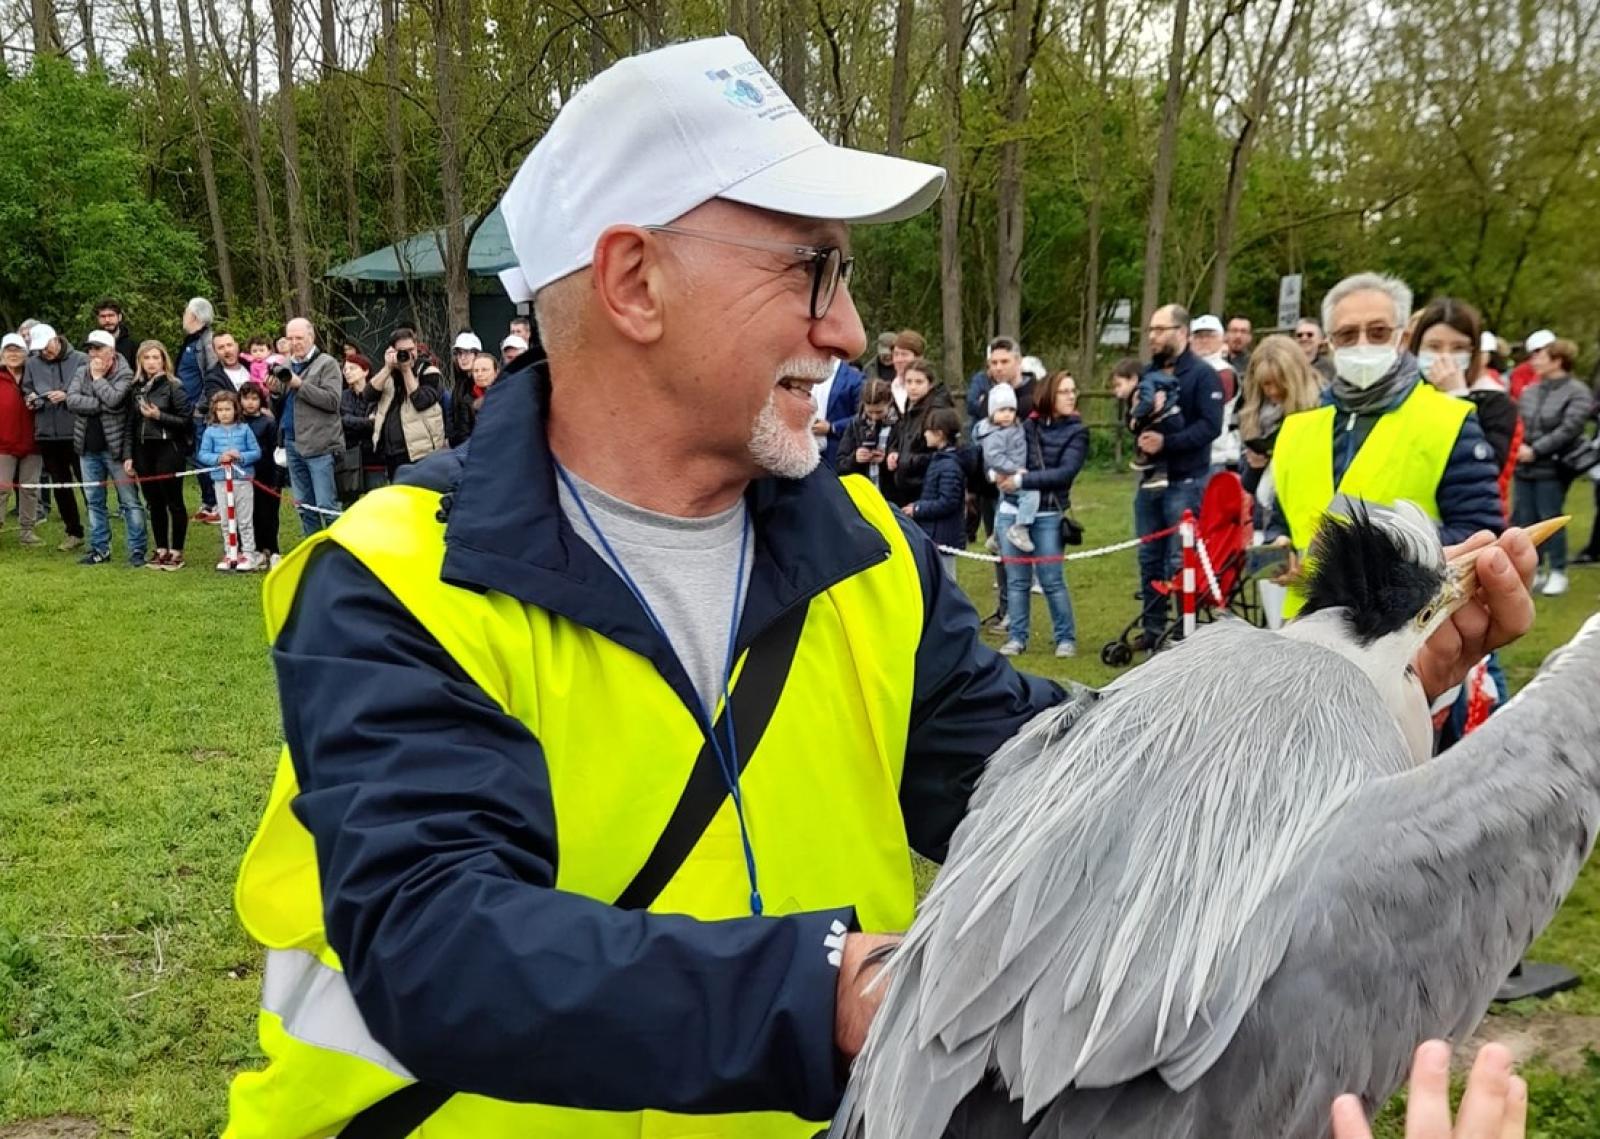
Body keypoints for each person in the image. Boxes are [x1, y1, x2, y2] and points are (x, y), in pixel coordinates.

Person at [224, 35, 1540, 1139]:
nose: (847, 327)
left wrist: (1376, 670)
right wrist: (847, 993)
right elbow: (439, 938)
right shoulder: (391, 576)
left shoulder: (857, 539)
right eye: (812, 267)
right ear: (633, 281)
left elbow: (1042, 776)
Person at [1269, 272, 1505, 617]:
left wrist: (1380, 542)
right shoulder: (1296, 429)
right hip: (1307, 626)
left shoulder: (1448, 420)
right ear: (1330, 343)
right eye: (1348, 334)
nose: (1362, 343)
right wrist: (1280, 546)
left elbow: (1480, 535)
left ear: (1401, 337)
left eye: (1377, 332)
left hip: (1406, 631)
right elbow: (1280, 518)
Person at [1133, 304, 1222, 648]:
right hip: (1149, 480)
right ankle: (1154, 631)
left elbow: (1209, 427)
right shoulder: (1147, 374)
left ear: (1182, 333)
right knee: (1148, 558)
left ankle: (1185, 634)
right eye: (1151, 330)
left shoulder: (1203, 375)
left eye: (1160, 329)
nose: (1153, 337)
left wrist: (1167, 442)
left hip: (1185, 480)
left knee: (1178, 558)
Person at [996, 370, 1085, 660]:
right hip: (1012, 510)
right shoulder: (1026, 426)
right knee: (1017, 580)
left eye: (1073, 391)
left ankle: (1065, 638)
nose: (1071, 396)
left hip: (1048, 514)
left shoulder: (1078, 432)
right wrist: (997, 472)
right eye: (1065, 391)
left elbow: (1065, 473)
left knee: (1051, 579)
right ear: (1049, 395)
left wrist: (1022, 481)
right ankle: (1017, 637)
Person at [1410, 299, 1518, 517]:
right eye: (1434, 346)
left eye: (1458, 348)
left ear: (1473, 352)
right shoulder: (1403, 397)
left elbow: (1489, 465)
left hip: (1464, 519)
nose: (1445, 356)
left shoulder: (1495, 403)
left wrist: (1457, 398)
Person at [1512, 335, 1589, 597]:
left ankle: (1558, 570)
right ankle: (1536, 569)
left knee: (1550, 517)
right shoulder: (1531, 391)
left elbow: (1569, 428)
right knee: (1525, 520)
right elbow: (1520, 423)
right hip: (1524, 466)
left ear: (1558, 360)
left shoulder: (1577, 392)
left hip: (1553, 467)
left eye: (1540, 355)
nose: (1534, 359)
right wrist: (1521, 449)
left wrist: (1536, 450)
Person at [66, 330, 147, 567]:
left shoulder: (125, 373)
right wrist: (99, 402)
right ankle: (100, 549)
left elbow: (115, 400)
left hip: (117, 449)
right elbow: (71, 400)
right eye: (90, 349)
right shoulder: (82, 371)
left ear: (112, 351)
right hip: (87, 448)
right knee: (94, 501)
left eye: (98, 348)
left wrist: (99, 379)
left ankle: (137, 551)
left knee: (130, 501)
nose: (93, 354)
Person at [127, 340, 192, 570]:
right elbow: (130, 425)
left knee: (173, 501)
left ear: (163, 360)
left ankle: (177, 550)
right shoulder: (136, 388)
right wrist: (129, 456)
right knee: (153, 503)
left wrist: (159, 416)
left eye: (156, 357)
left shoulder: (174, 386)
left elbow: (186, 421)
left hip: (169, 448)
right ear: (140, 362)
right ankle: (161, 548)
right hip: (144, 450)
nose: (152, 362)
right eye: (147, 358)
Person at [20, 324, 86, 551]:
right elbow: (27, 389)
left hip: (76, 430)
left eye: (47, 347)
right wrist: (31, 399)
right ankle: (74, 532)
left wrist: (67, 396)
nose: (44, 353)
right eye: (39, 350)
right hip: (47, 433)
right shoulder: (32, 363)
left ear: (56, 339)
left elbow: (90, 389)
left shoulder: (80, 359)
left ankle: (99, 531)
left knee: (87, 483)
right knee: (61, 485)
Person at [277, 317, 345, 535]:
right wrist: (273, 391)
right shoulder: (286, 365)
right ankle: (312, 551)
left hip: (319, 445)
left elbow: (332, 401)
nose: (295, 343)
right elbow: (282, 404)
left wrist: (299, 385)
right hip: (292, 442)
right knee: (304, 507)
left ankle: (338, 552)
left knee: (326, 505)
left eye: (299, 338)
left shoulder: (327, 363)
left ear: (311, 337)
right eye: (290, 338)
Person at [1236, 334, 1322, 497]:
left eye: (1280, 383)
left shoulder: (1322, 410)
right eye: (1266, 384)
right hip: (1267, 510)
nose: (1273, 391)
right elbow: (1248, 484)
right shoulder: (1254, 412)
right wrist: (1255, 466)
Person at [369, 327, 448, 480]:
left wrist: (406, 371)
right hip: (392, 453)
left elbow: (421, 401)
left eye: (411, 349)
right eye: (402, 350)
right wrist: (387, 368)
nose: (408, 354)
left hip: (421, 453)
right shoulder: (389, 375)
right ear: (392, 351)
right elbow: (368, 395)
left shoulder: (428, 371)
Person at [197, 389, 263, 571]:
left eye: (228, 409)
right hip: (220, 481)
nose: (224, 413)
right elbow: (203, 454)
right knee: (226, 520)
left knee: (244, 520)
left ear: (235, 409)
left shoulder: (244, 429)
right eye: (220, 410)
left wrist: (240, 456)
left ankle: (249, 554)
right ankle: (230, 552)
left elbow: (256, 452)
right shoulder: (210, 431)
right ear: (215, 412)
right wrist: (219, 458)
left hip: (243, 480)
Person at [900, 405, 966, 577]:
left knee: (946, 580)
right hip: (934, 534)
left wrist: (918, 509)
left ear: (939, 434)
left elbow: (948, 502)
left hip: (944, 536)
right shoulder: (939, 460)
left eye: (928, 431)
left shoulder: (949, 465)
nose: (924, 434)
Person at [974, 384, 1038, 553]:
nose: (1007, 414)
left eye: (1011, 410)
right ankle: (1020, 527)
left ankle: (995, 537)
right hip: (1010, 472)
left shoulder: (1014, 427)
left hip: (1012, 471)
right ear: (992, 413)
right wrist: (1014, 470)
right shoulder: (993, 434)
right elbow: (994, 457)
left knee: (1003, 503)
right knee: (1031, 494)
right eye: (1002, 410)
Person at [884, 357, 953, 506]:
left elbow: (941, 451)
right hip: (906, 483)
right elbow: (901, 436)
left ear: (930, 383)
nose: (913, 387)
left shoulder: (937, 411)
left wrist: (906, 460)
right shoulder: (910, 405)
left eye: (918, 382)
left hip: (926, 485)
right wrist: (894, 452)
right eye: (909, 382)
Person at [176, 297, 221, 520]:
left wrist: (201, 407)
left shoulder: (207, 341)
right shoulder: (189, 341)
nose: (183, 317)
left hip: (200, 412)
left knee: (206, 457)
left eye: (185, 312)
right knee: (195, 457)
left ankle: (216, 504)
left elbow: (211, 376)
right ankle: (207, 502)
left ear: (194, 316)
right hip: (185, 409)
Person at [1110, 354, 1179, 488]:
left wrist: (1136, 415)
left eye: (1119, 385)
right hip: (1165, 418)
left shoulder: (1144, 387)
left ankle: (1161, 472)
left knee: (1154, 439)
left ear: (1133, 379)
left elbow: (1148, 402)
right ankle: (1148, 464)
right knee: (1144, 437)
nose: (1117, 391)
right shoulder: (1137, 392)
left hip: (1168, 419)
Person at [0, 332, 42, 547]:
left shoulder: (34, 375)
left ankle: (27, 531)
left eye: (17, 350)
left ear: (26, 353)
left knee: (29, 489)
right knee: (1, 488)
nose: (13, 354)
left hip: (32, 443)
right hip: (3, 444)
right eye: (9, 350)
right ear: (2, 353)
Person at [239, 383, 281, 568]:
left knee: (268, 515)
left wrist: (276, 479)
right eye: (246, 398)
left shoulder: (268, 422)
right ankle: (252, 550)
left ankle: (272, 550)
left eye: (254, 398)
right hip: (244, 475)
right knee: (249, 513)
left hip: (267, 474)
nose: (250, 403)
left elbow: (276, 451)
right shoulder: (237, 423)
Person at [1192, 314, 1241, 474]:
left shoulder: (1224, 372)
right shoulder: (1185, 369)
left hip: (1214, 455)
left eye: (1210, 335)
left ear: (1221, 339)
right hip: (1186, 453)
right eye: (1199, 336)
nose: (1204, 340)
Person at [835, 377, 897, 491]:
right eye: (870, 412)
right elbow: (840, 465)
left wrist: (886, 460)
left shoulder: (900, 424)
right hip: (863, 492)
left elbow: (908, 467)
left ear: (889, 403)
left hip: (893, 493)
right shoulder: (855, 425)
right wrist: (855, 458)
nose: (874, 416)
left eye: (879, 412)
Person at [338, 356, 379, 506]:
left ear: (365, 371)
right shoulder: (344, 397)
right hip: (350, 456)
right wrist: (367, 421)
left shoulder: (377, 394)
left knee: (376, 503)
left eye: (352, 368)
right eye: (345, 369)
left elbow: (377, 424)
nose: (347, 372)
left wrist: (358, 423)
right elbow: (343, 421)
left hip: (374, 456)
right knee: (349, 504)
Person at [965, 336, 1023, 426]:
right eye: (994, 363)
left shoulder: (1033, 391)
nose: (998, 368)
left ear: (1018, 361)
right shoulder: (982, 380)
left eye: (1004, 362)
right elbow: (971, 405)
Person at [94, 298, 138, 370]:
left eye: (111, 315)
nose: (107, 320)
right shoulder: (91, 343)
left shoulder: (132, 344)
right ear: (98, 319)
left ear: (119, 317)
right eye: (103, 316)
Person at [888, 328, 924, 412]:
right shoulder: (890, 389)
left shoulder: (929, 390)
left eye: (904, 354)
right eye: (896, 354)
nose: (899, 360)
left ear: (918, 358)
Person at [1295, 317, 1337, 385]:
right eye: (1299, 335)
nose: (1304, 338)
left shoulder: (1329, 368)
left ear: (1320, 340)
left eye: (1309, 335)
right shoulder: (1287, 364)